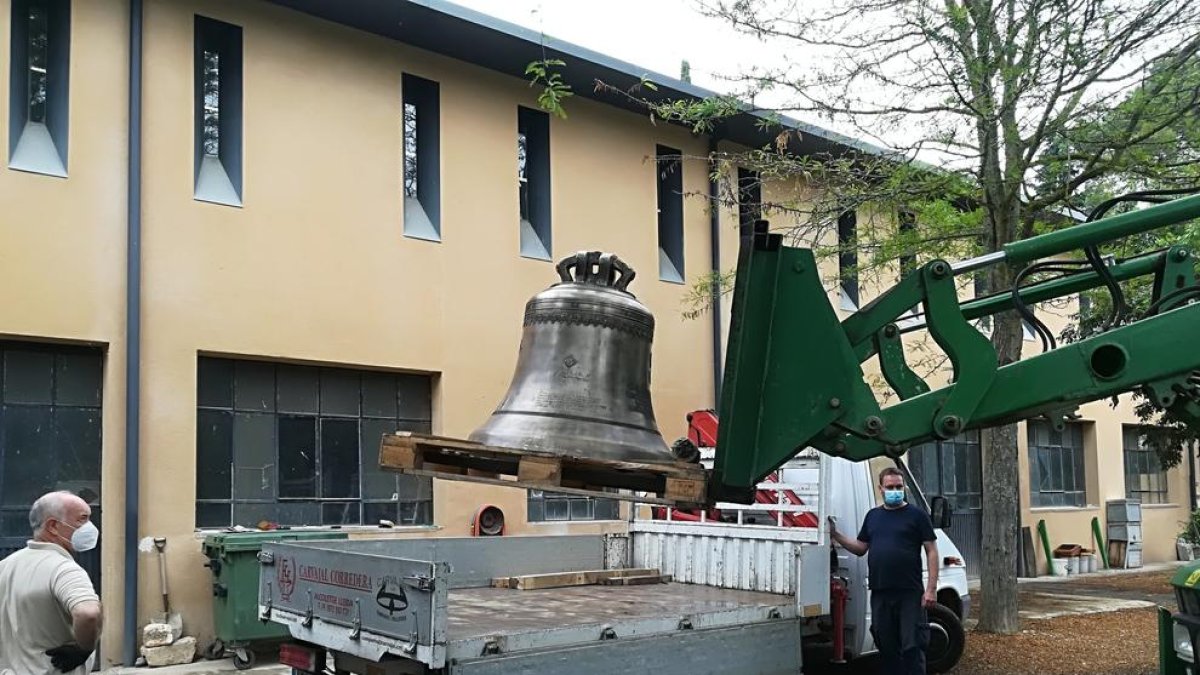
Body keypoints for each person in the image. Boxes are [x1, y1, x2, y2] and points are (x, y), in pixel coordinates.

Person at [828, 466, 938, 675]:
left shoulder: (917, 515)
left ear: (904, 487)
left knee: (912, 645)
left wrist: (931, 589)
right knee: (885, 644)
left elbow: (931, 551)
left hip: (909, 592)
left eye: (898, 486)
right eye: (890, 487)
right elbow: (861, 548)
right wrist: (836, 535)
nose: (895, 490)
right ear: (881, 489)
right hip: (880, 592)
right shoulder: (873, 516)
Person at [0, 491, 103, 675]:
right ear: (53, 526)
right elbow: (88, 613)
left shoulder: (5, 566)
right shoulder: (64, 569)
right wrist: (84, 648)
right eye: (82, 519)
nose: (90, 527)